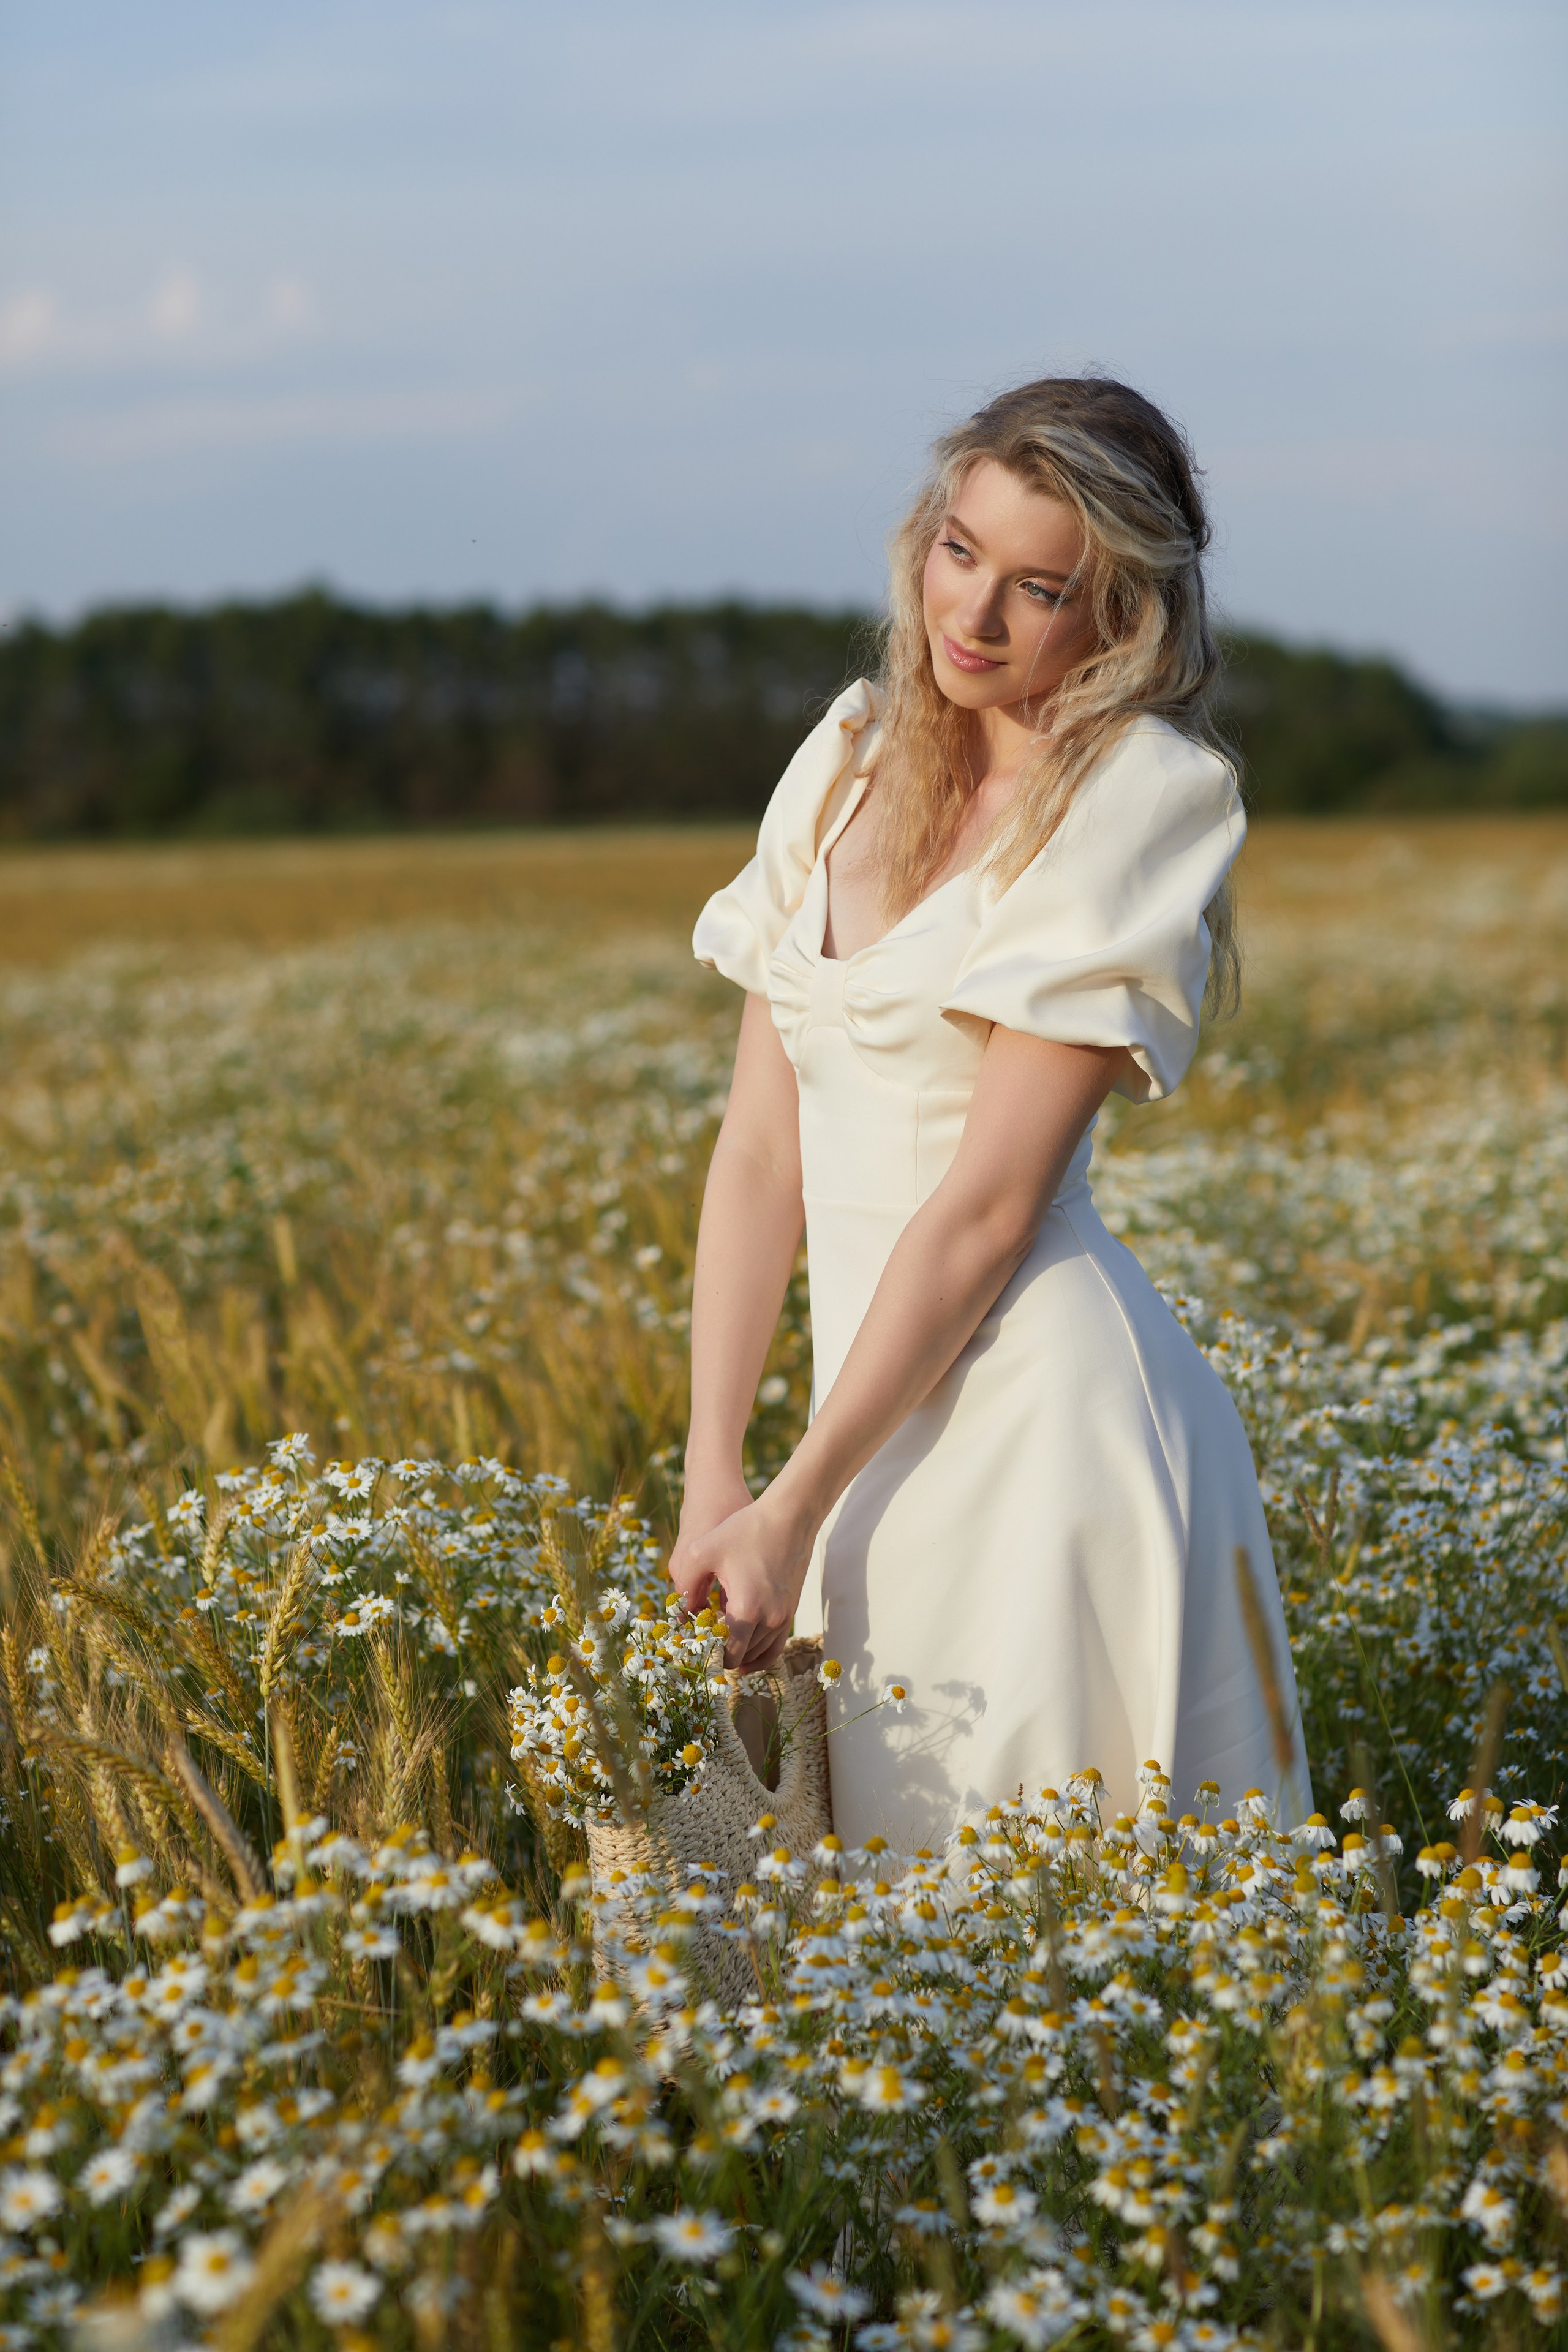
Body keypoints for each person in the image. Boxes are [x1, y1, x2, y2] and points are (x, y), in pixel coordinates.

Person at [668, 374, 1311, 1850]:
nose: (976, 615)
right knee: (887, 1934)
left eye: (1041, 588)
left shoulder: (1133, 798)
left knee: (1052, 1921)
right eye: (958, 551)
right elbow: (761, 1149)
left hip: (1039, 1428)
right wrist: (720, 1468)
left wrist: (795, 1498)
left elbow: (982, 1208)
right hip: (857, 1427)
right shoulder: (841, 765)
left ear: (1122, 617)